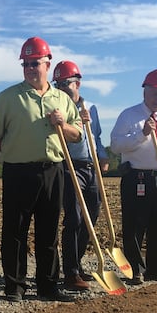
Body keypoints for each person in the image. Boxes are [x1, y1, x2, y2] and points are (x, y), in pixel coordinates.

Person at [0, 36, 82, 303]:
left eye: (35, 63)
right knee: (15, 231)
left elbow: (77, 135)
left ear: (47, 64)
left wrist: (64, 124)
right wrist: (14, 148)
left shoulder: (62, 99)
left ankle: (48, 286)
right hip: (18, 171)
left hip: (53, 170)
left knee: (48, 230)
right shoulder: (8, 97)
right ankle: (15, 286)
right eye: (25, 64)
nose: (30, 68)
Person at [109, 68, 157, 284]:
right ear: (145, 91)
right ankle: (134, 270)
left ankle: (155, 268)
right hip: (137, 177)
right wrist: (141, 134)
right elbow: (116, 145)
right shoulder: (129, 115)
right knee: (135, 224)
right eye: (155, 94)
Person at [52, 61, 110, 291]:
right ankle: (71, 272)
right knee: (74, 218)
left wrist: (103, 156)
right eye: (58, 84)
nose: (62, 88)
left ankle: (76, 261)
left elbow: (96, 136)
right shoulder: (58, 108)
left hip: (90, 165)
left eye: (65, 83)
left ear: (77, 82)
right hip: (69, 166)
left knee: (92, 214)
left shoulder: (92, 107)